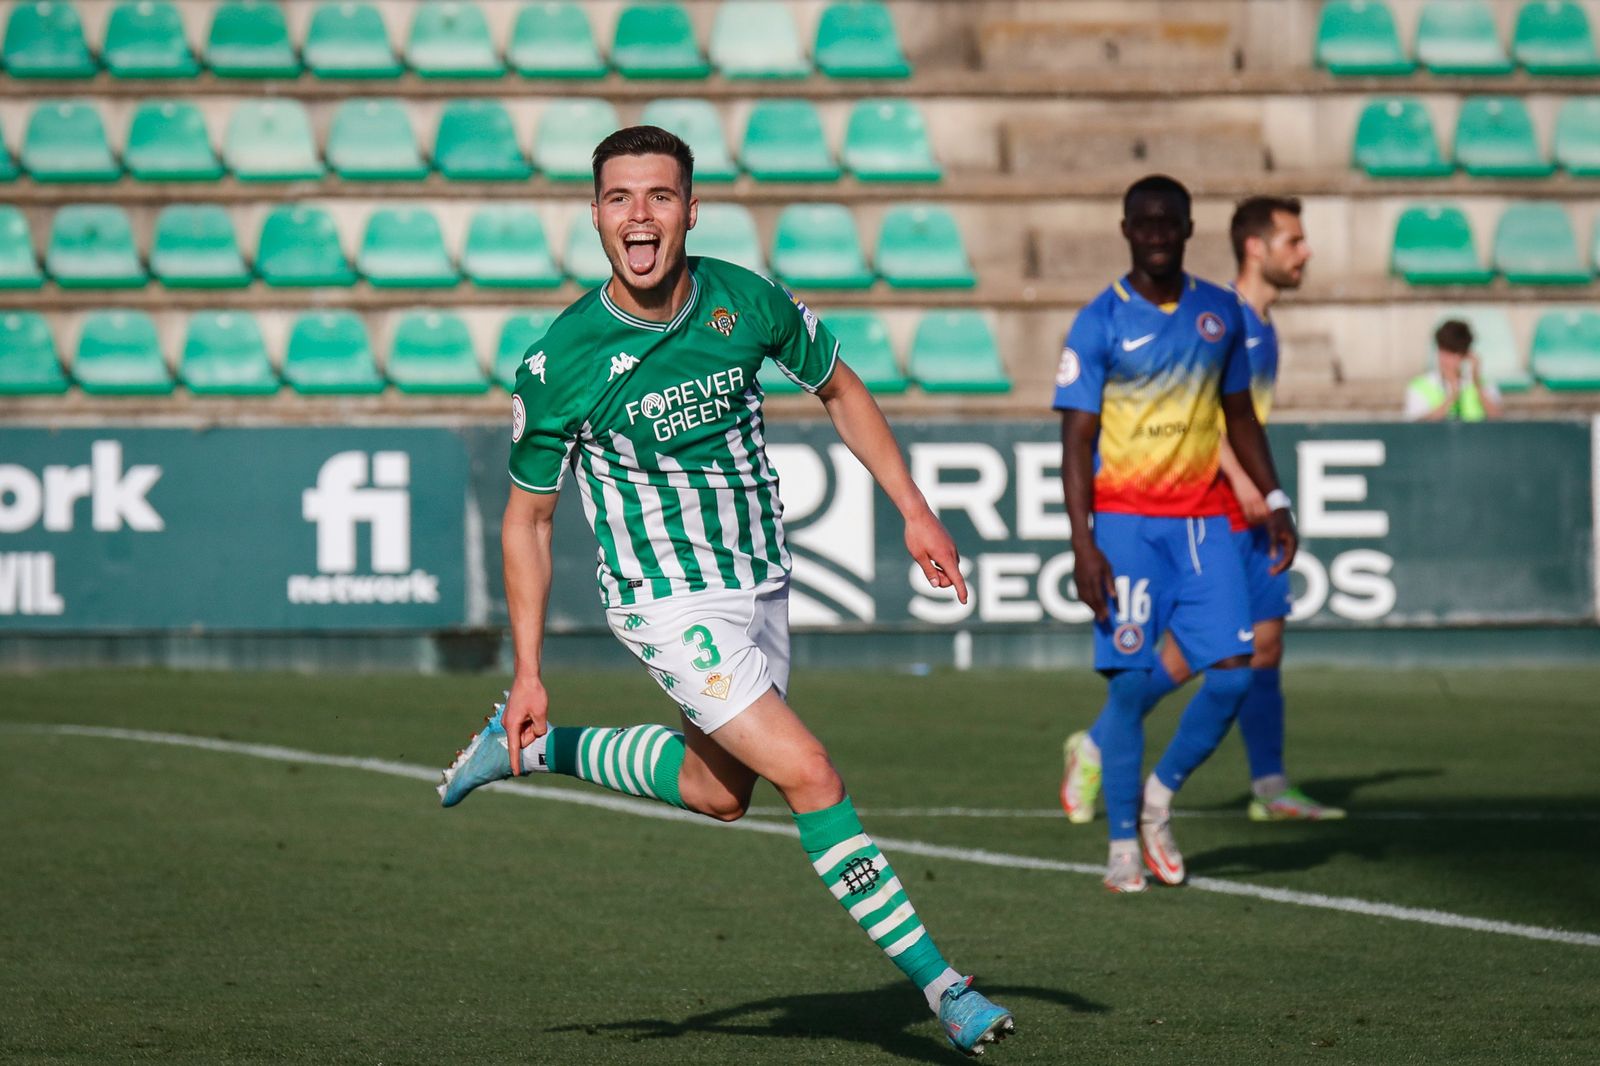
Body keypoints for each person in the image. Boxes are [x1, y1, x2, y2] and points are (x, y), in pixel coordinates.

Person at [436, 127, 1014, 1056]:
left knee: (718, 793)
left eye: (659, 196)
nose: (639, 216)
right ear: (595, 215)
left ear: (691, 210)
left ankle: (534, 752)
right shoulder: (560, 361)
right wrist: (530, 667)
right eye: (619, 198)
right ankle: (944, 987)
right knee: (811, 774)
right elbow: (527, 521)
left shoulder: (745, 300)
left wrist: (914, 510)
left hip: (759, 583)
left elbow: (841, 387)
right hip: (665, 602)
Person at [1061, 196, 1344, 824]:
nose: (1305, 253)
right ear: (1255, 248)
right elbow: (1196, 417)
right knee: (1200, 653)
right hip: (1212, 510)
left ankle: (1269, 784)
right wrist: (1245, 483)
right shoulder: (1216, 317)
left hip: (1246, 510)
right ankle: (1101, 744)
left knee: (1264, 644)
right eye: (1293, 241)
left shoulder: (1255, 323)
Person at [1404, 320, 1504, 422]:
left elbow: (1498, 420)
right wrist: (1452, 396)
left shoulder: (1483, 384)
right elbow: (1416, 425)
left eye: (1452, 353)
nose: (1445, 359)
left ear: (1465, 355)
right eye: (1442, 351)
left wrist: (1476, 383)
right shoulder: (1420, 386)